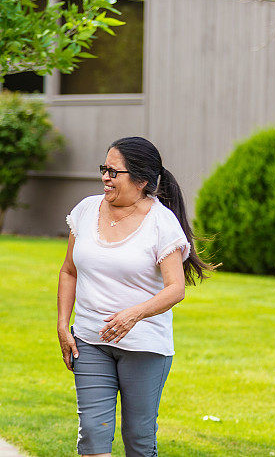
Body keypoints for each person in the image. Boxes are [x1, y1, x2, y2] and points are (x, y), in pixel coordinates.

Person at [57, 136, 212, 457]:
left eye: (114, 172)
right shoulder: (86, 210)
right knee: (92, 436)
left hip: (144, 346)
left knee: (139, 439)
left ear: (141, 181)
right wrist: (62, 324)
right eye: (104, 169)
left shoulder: (161, 223)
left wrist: (134, 314)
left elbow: (175, 288)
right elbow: (69, 271)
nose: (105, 178)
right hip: (90, 340)